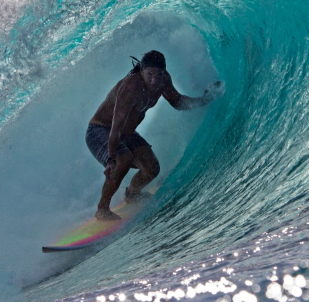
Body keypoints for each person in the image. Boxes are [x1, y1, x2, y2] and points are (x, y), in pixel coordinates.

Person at [86, 50, 222, 220]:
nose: (154, 80)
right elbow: (115, 129)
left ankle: (132, 194)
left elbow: (177, 102)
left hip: (126, 133)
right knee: (124, 160)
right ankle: (102, 209)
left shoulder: (163, 81)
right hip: (101, 130)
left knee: (151, 168)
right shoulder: (130, 88)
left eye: (159, 75)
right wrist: (110, 160)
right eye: (150, 74)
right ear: (141, 70)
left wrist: (202, 100)